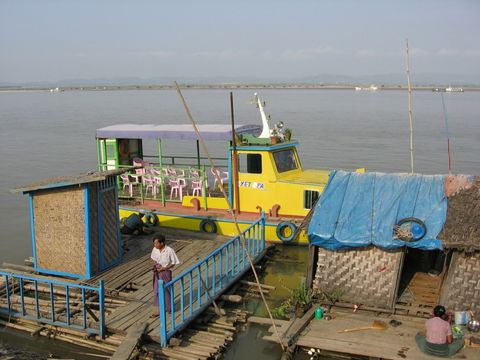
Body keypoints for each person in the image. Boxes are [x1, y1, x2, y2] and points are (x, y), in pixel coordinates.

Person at [150, 234, 180, 317]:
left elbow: (174, 263)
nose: (155, 245)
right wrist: (156, 267)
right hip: (157, 271)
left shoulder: (169, 250)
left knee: (166, 290)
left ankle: (169, 308)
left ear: (162, 243)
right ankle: (158, 311)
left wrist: (164, 268)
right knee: (156, 291)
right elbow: (154, 259)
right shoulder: (155, 249)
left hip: (166, 272)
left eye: (156, 243)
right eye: (154, 243)